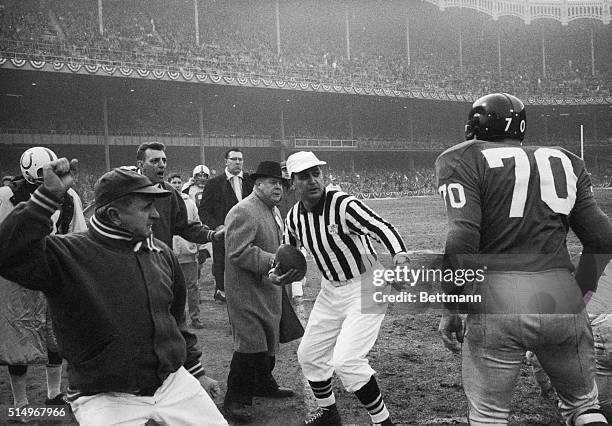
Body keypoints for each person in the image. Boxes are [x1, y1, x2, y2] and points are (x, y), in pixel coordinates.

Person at [0, 163, 228, 426]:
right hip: (103, 395)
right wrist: (46, 197)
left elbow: (175, 322)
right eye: (145, 207)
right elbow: (7, 254)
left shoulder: (162, 253)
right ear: (114, 215)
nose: (156, 215)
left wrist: (196, 373)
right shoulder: (66, 254)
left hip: (171, 382)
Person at [436, 93, 612, 425]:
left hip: (497, 303)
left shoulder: (463, 158)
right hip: (560, 298)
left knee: (489, 416)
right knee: (582, 407)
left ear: (474, 127)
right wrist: (579, 291)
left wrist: (451, 307)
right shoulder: (565, 160)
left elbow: (462, 239)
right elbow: (603, 240)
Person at [283, 151, 409, 426]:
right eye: (304, 176)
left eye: (316, 173)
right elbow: (289, 254)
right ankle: (328, 413)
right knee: (309, 355)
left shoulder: (342, 204)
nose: (313, 180)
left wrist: (399, 255)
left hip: (367, 283)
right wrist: (277, 274)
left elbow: (381, 227)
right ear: (292, 182)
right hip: (331, 289)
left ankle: (383, 421)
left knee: (347, 361)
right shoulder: (293, 218)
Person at [0, 147, 86, 419]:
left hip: (51, 270)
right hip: (15, 275)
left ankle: (53, 394)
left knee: (55, 334)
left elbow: (77, 233)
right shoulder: (6, 196)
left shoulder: (70, 196)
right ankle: (21, 403)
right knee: (18, 337)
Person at [222, 161, 301, 422]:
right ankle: (235, 400)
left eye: (281, 183)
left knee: (267, 340)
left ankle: (264, 385)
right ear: (258, 184)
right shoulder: (243, 210)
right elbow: (237, 252)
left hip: (267, 287)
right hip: (245, 291)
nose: (279, 186)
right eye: (272, 182)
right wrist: (273, 260)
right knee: (249, 345)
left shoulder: (272, 210)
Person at [135, 142, 223, 248]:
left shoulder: (169, 192)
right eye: (155, 161)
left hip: (161, 258)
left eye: (164, 160)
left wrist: (210, 235)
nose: (162, 165)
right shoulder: (125, 189)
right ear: (140, 164)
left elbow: (183, 226)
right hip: (131, 259)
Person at [199, 148, 254, 303]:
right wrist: (216, 226)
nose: (238, 162)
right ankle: (222, 292)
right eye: (234, 159)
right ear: (226, 161)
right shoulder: (213, 183)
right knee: (223, 269)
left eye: (240, 159)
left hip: (248, 235)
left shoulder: (250, 182)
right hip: (223, 237)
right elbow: (203, 210)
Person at [168, 173, 205, 329]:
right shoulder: (165, 200)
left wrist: (202, 247)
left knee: (193, 286)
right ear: (168, 184)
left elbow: (197, 224)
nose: (176, 185)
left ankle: (195, 317)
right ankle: (177, 317)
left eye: (178, 182)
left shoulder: (189, 202)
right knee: (172, 288)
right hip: (171, 252)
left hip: (188, 251)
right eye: (173, 182)